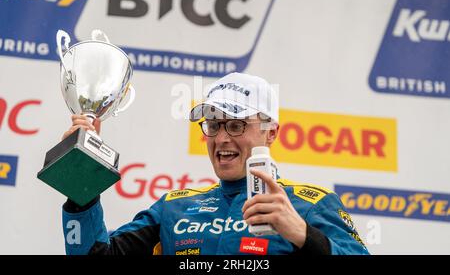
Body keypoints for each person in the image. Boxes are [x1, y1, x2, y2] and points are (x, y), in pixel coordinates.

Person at [62, 72, 369, 255]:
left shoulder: (310, 205)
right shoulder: (172, 208)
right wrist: (81, 179)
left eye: (236, 125)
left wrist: (303, 234)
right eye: (213, 124)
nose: (222, 138)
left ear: (271, 132)